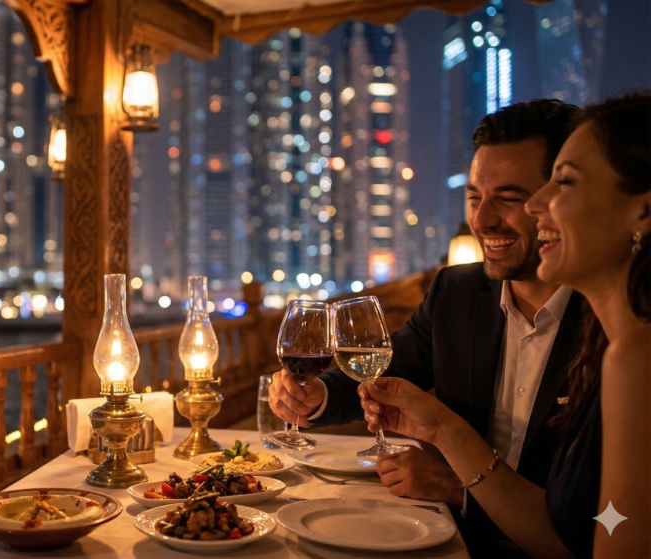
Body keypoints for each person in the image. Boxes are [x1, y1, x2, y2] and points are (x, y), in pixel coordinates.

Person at [269, 99, 584, 554]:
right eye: (474, 196)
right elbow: (385, 366)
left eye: (510, 198)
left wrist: (462, 487)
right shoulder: (457, 291)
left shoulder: (610, 321)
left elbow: (602, 519)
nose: (481, 219)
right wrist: (316, 397)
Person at [360, 92, 650, 558]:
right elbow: (578, 527)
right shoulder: (614, 346)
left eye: (566, 184)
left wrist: (449, 451)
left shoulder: (637, 358)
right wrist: (441, 430)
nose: (540, 207)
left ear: (643, 210)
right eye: (474, 196)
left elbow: (590, 543)